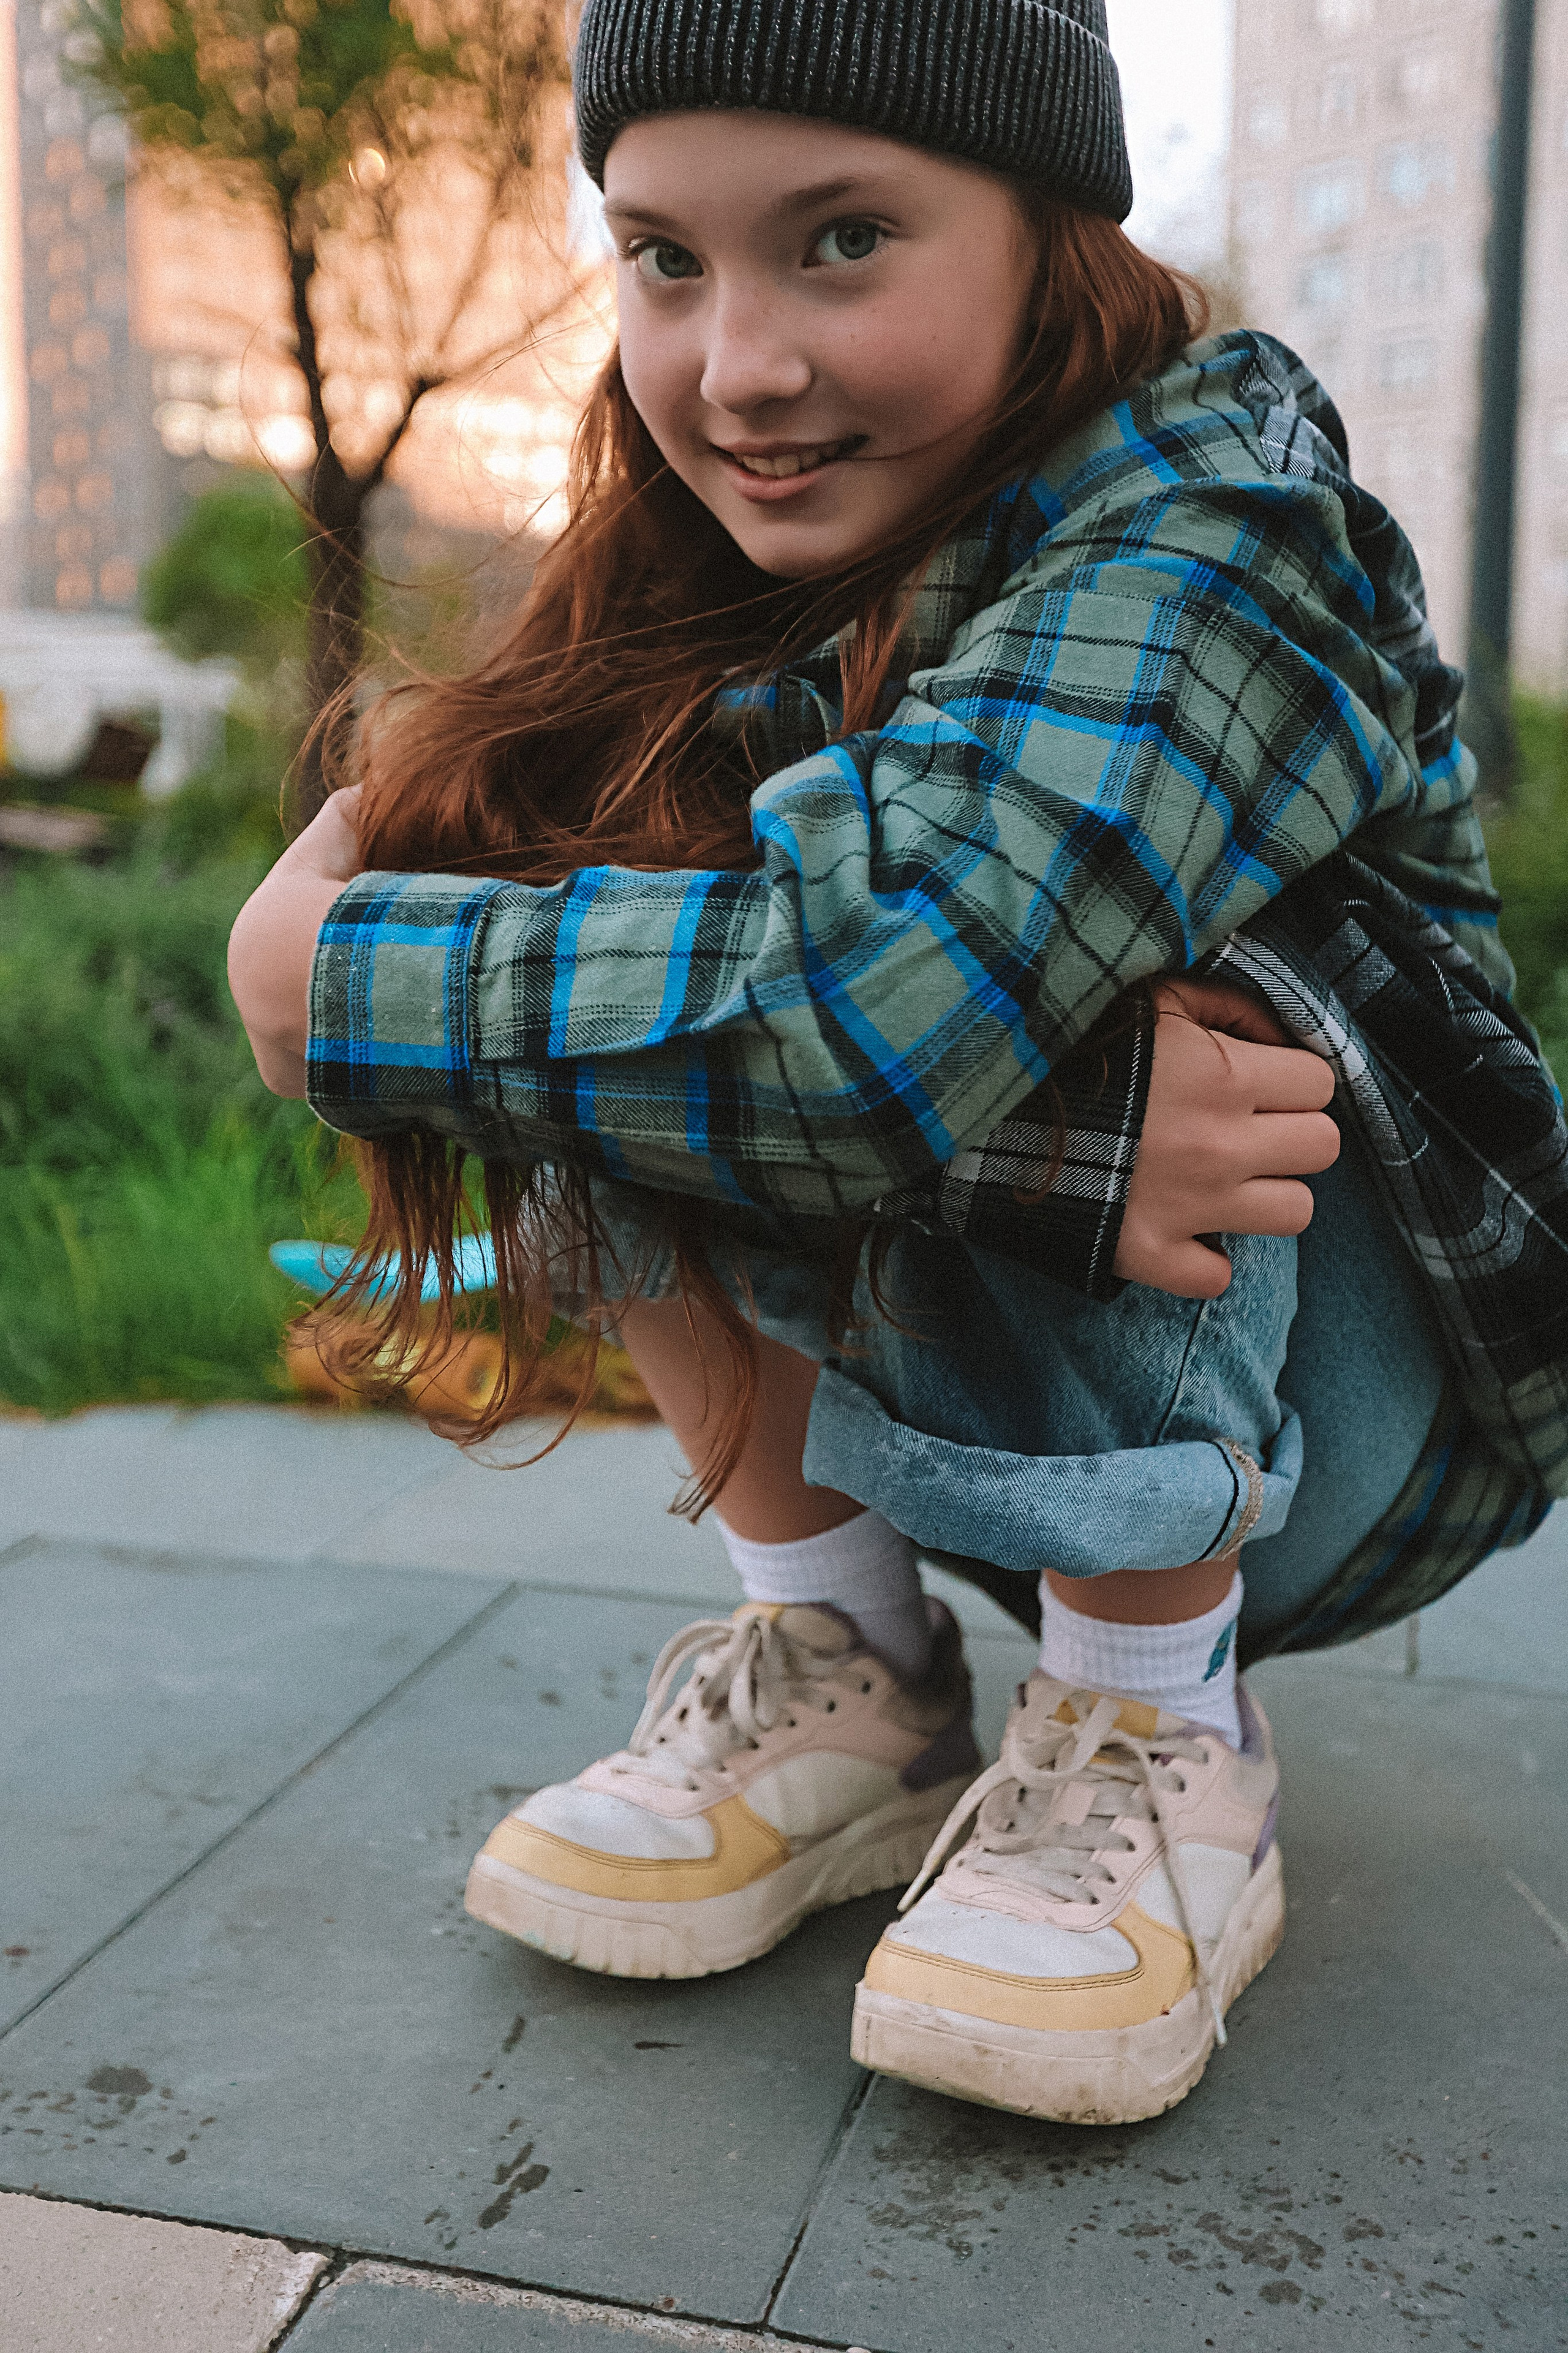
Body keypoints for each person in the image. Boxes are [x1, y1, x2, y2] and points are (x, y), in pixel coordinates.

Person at [228, 0, 1567, 2126]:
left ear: (1050, 226)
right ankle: (847, 1659)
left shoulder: (1225, 529)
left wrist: (336, 981)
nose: (740, 366)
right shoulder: (728, 535)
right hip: (969, 1364)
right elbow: (703, 984)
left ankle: (1159, 1724)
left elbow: (886, 1006)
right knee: (599, 920)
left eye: (842, 239)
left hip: (1351, 1412)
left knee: (1032, 949)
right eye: (666, 258)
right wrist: (1060, 1148)